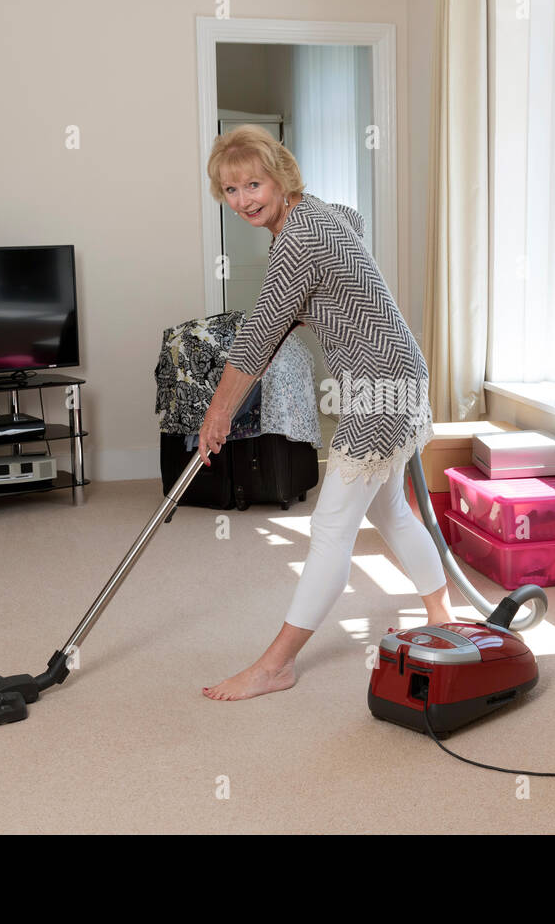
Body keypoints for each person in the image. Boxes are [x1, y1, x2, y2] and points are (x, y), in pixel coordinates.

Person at [199, 124, 451, 700]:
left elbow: (260, 333)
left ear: (280, 176)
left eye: (253, 184)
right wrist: (323, 301)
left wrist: (218, 415)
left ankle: (275, 666)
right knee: (389, 511)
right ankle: (443, 616)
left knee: (331, 527)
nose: (243, 201)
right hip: (401, 370)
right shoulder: (315, 211)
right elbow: (353, 222)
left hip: (380, 385)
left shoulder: (295, 239)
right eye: (230, 191)